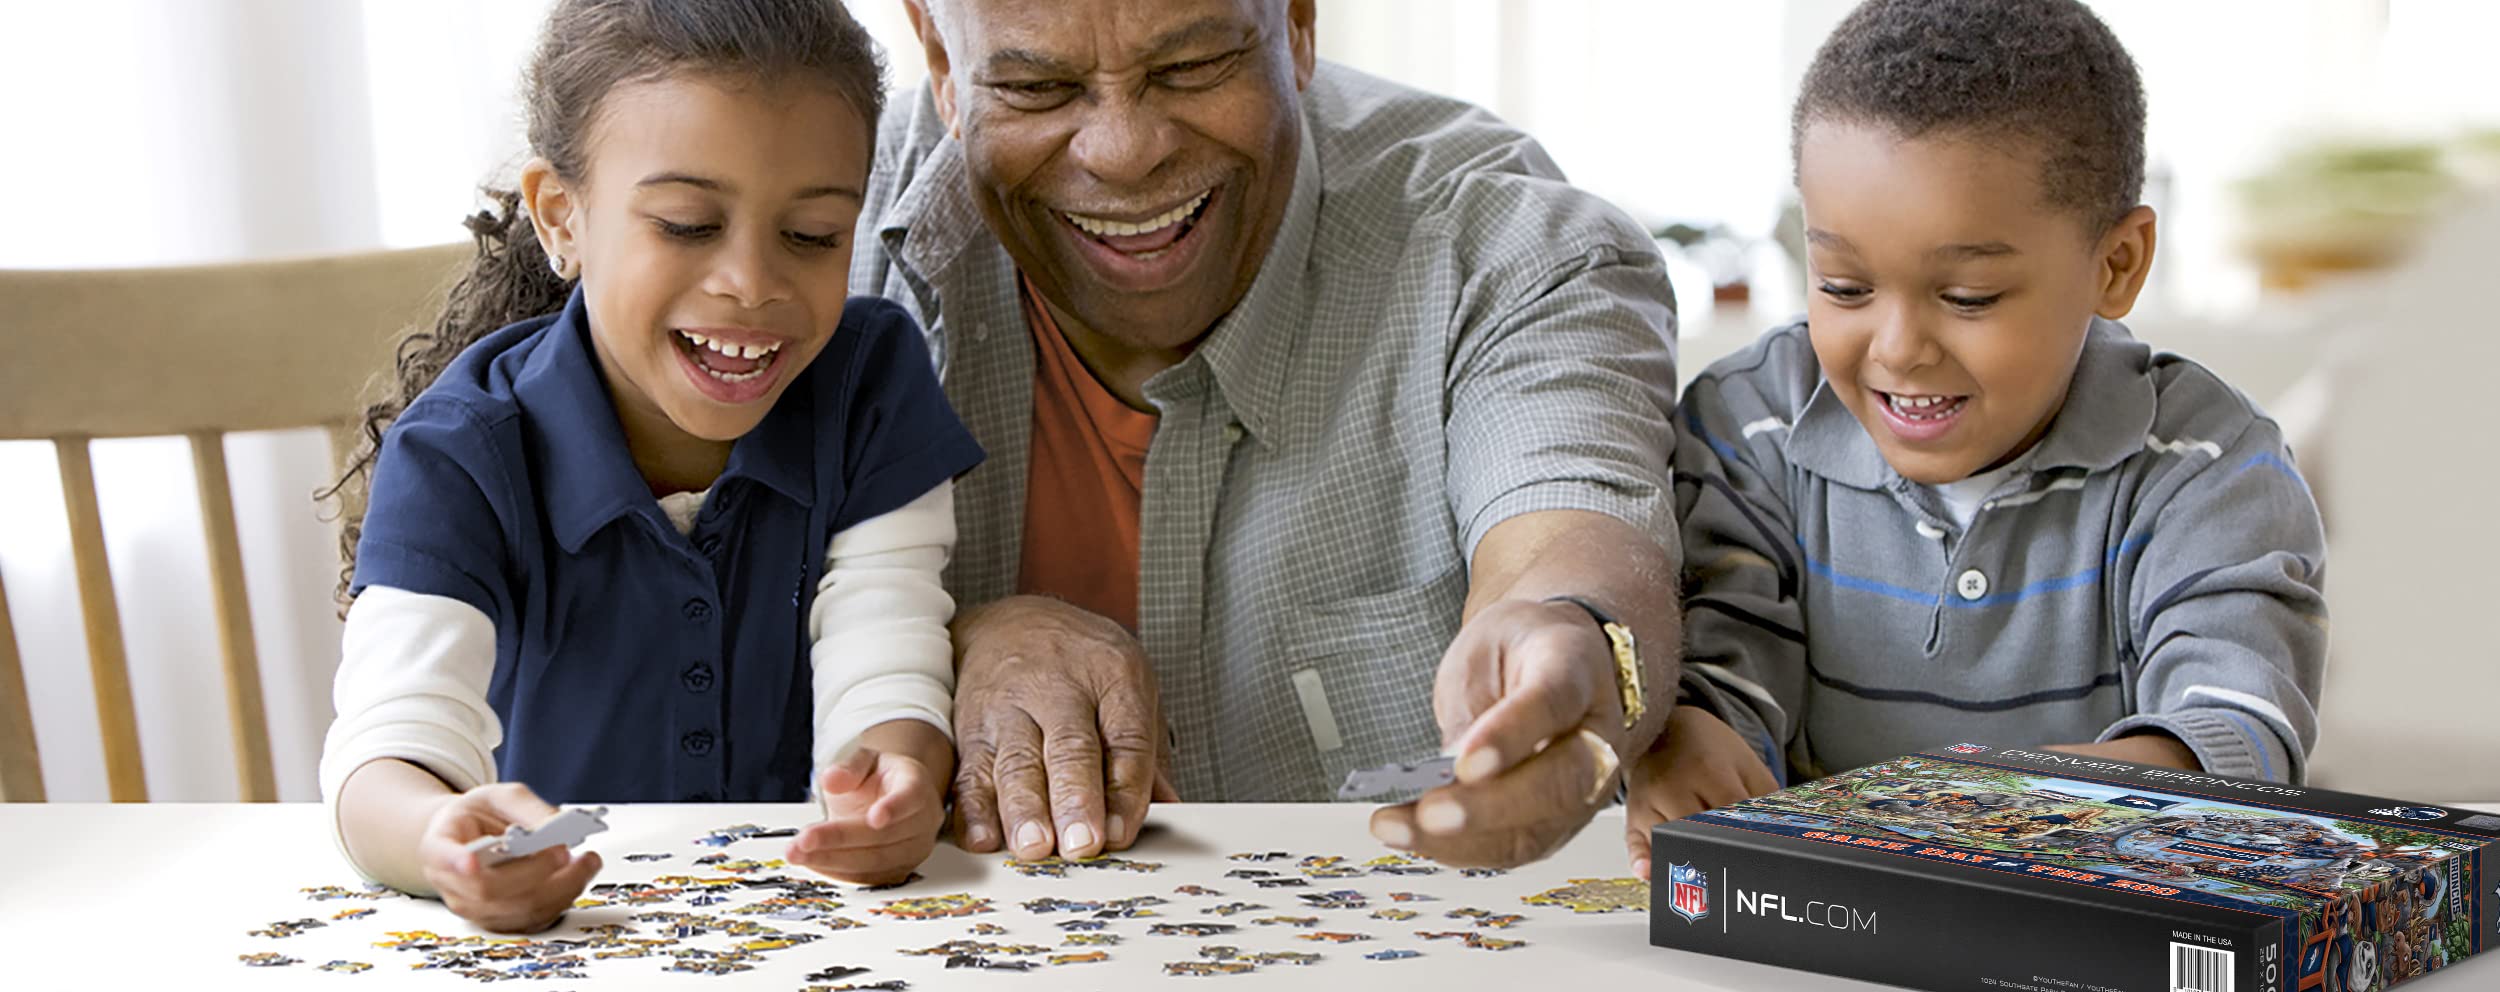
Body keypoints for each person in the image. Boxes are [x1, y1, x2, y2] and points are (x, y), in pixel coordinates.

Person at [857, 0, 1683, 869]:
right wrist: (939, 642)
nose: (1124, 151)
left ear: (1296, 23)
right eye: (1035, 86)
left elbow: (1568, 537)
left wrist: (1576, 643)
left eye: (1191, 67)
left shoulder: (1503, 244)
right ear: (941, 61)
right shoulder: (796, 223)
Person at [315, 0, 983, 932]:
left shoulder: (871, 384)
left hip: (814, 929)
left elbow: (886, 648)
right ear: (562, 217)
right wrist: (438, 836)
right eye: (684, 223)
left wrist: (895, 777)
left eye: (814, 235)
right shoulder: (460, 451)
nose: (751, 281)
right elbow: (386, 749)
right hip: (566, 939)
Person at [1624, 0, 2328, 879]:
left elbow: (2232, 733)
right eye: (1843, 286)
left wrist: (1959, 819)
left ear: (2116, 265)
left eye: (1968, 298)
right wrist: (1690, 734)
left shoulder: (2207, 466)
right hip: (1816, 923)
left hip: (2088, 922)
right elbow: (1728, 658)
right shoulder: (1748, 425)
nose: (1897, 348)